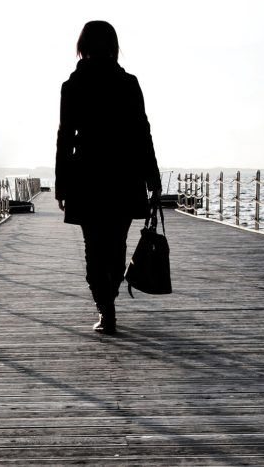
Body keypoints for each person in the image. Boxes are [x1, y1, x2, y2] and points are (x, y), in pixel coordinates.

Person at [55, 20, 162, 334]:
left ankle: (105, 306)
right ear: (113, 46)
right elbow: (143, 134)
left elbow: (65, 137)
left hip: (86, 176)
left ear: (83, 46)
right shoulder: (128, 83)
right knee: (115, 246)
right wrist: (152, 178)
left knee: (94, 247)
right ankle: (108, 300)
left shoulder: (72, 86)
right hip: (123, 176)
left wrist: (62, 184)